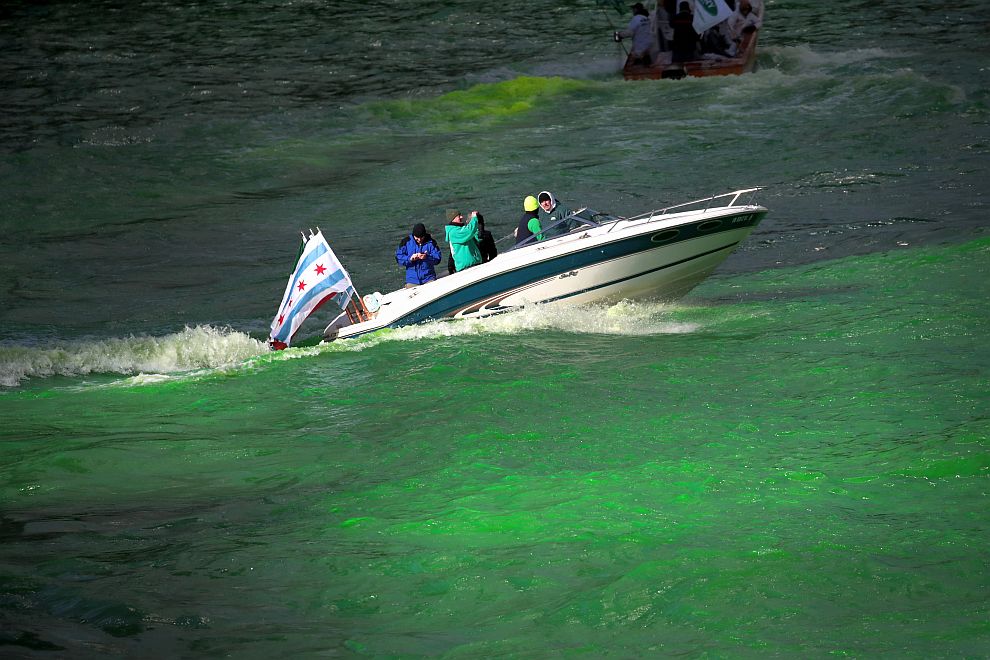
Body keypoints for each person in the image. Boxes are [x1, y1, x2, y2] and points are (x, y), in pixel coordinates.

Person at [395, 222, 441, 288]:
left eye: (421, 237)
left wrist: (427, 257)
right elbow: (398, 257)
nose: (419, 240)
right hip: (412, 280)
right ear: (413, 235)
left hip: (429, 278)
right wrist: (410, 259)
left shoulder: (431, 242)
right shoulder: (406, 242)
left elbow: (438, 258)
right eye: (417, 238)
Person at [614, 2, 656, 66]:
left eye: (633, 9)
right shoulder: (648, 19)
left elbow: (629, 33)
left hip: (640, 49)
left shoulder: (636, 18)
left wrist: (619, 35)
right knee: (647, 64)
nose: (632, 11)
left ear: (636, 10)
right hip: (651, 47)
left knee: (631, 66)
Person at [444, 208, 483, 273]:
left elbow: (476, 237)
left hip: (474, 264)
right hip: (466, 268)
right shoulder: (453, 232)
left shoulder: (461, 229)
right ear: (453, 219)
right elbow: (469, 231)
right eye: (459, 216)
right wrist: (473, 218)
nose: (462, 217)